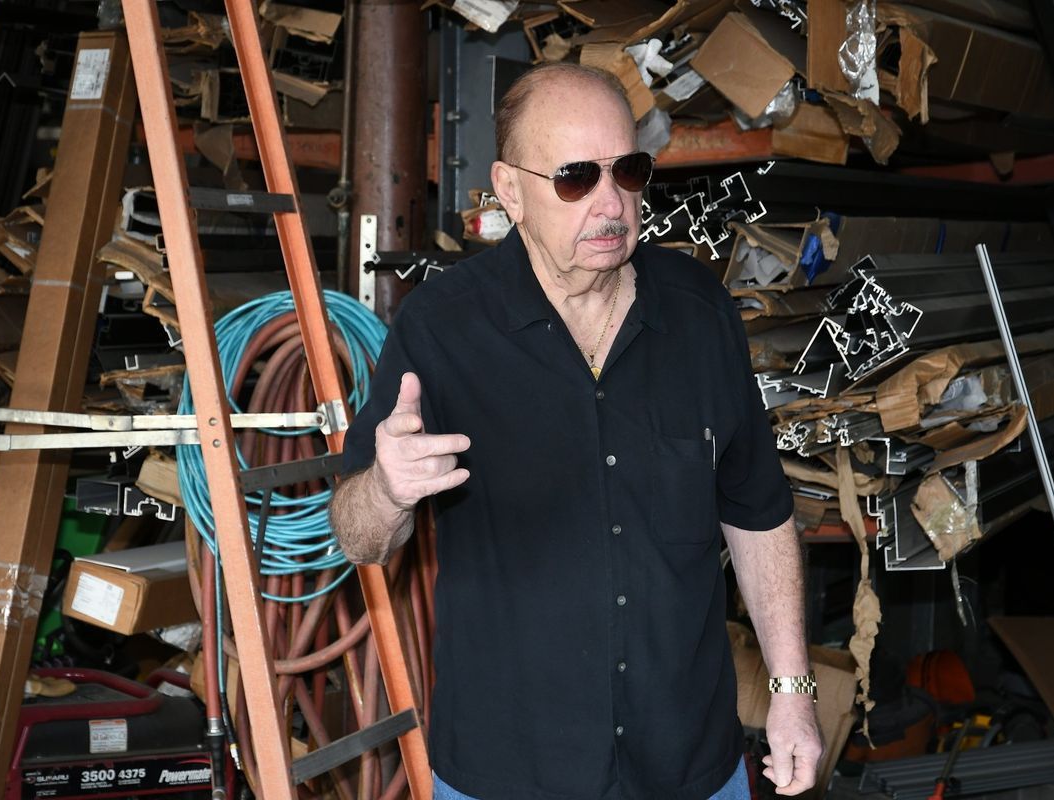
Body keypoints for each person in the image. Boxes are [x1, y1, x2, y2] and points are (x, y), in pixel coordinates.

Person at [329, 62, 822, 800]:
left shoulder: (699, 315)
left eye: (628, 171)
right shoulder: (443, 330)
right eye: (574, 179)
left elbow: (758, 513)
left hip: (690, 765)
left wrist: (792, 691)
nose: (612, 202)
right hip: (509, 772)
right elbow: (357, 536)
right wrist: (388, 491)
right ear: (508, 189)